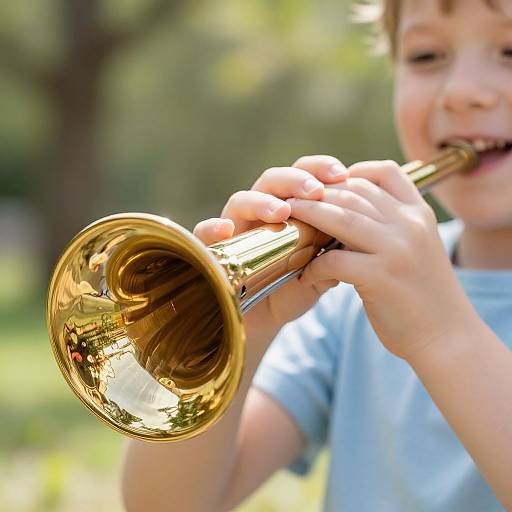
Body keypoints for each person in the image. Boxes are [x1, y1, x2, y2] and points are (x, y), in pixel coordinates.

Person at [121, 0, 512, 510]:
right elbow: (165, 504)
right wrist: (237, 334)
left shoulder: (396, 289)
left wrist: (442, 332)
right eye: (426, 55)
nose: (461, 92)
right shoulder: (353, 298)